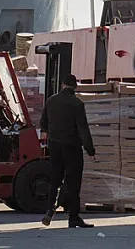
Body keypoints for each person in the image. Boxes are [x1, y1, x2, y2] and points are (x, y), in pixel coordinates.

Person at [39, 73, 95, 229]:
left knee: (55, 180)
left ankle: (50, 210)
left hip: (55, 146)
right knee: (73, 183)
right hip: (72, 147)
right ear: (75, 87)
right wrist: (90, 150)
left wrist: (54, 133)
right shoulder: (77, 104)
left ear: (62, 84)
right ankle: (73, 217)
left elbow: (43, 123)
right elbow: (83, 129)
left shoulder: (51, 101)